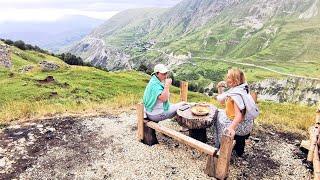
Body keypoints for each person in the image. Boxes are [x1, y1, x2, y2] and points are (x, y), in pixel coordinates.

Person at [213, 68, 259, 156]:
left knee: (217, 120)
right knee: (219, 113)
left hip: (241, 126)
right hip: (247, 124)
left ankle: (220, 147)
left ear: (235, 80)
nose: (226, 79)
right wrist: (220, 88)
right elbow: (223, 102)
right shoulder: (242, 89)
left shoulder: (236, 95)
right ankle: (239, 150)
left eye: (229, 78)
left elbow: (239, 116)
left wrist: (230, 128)